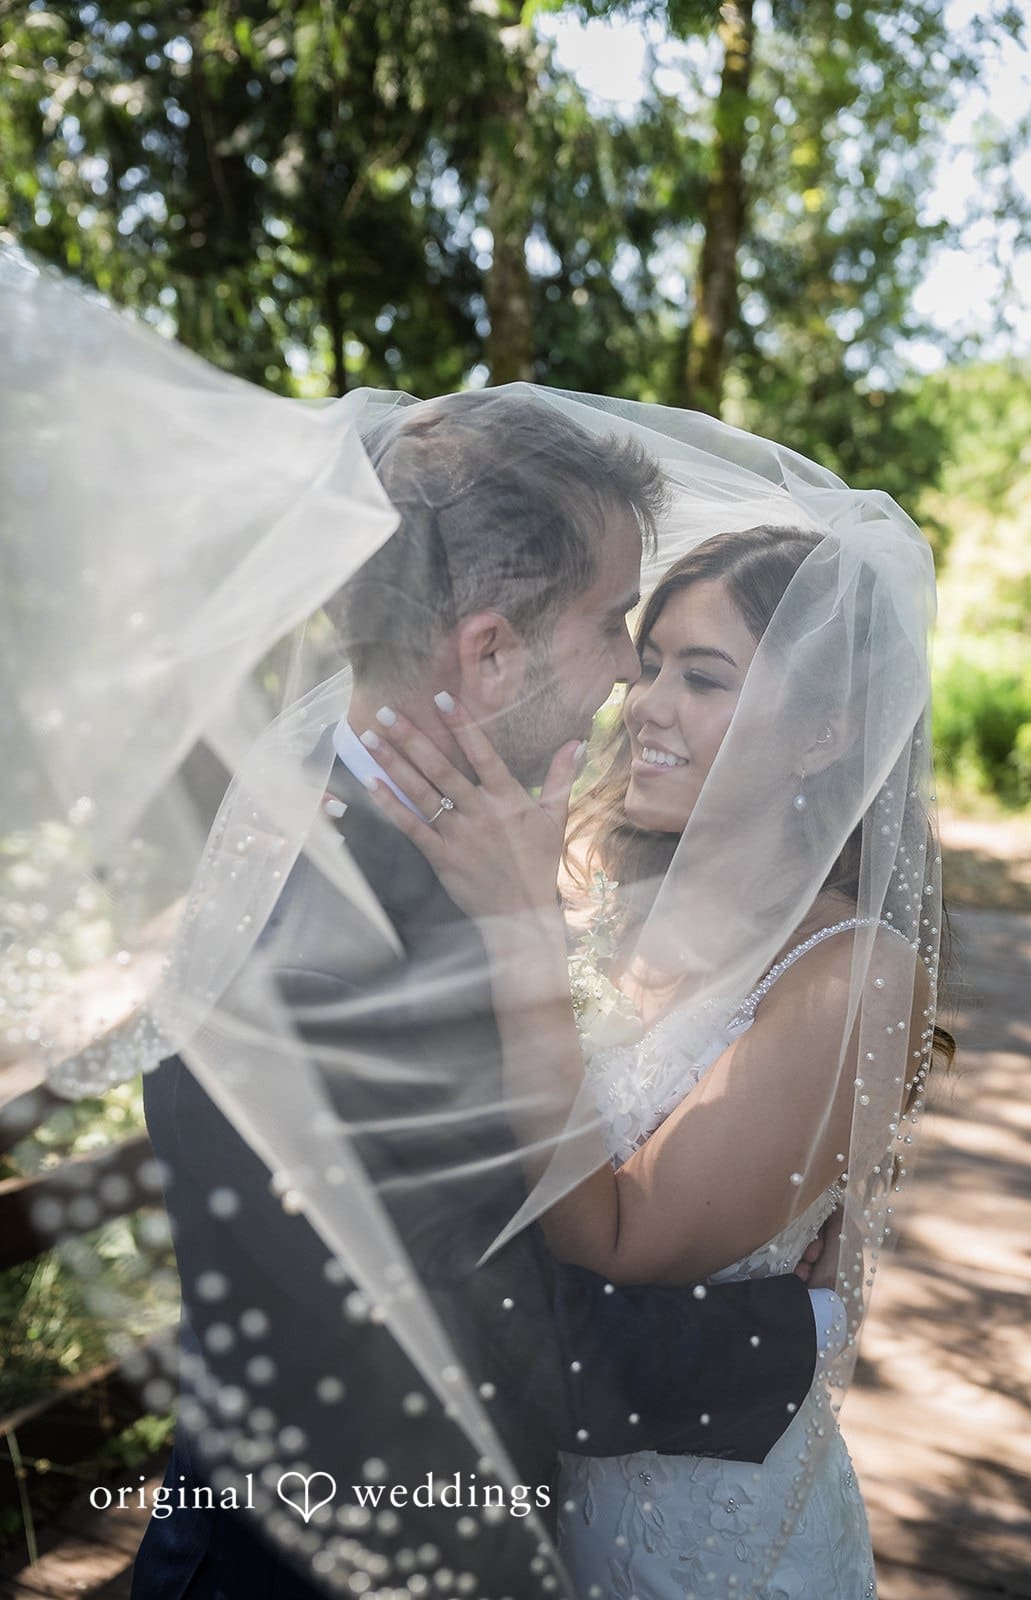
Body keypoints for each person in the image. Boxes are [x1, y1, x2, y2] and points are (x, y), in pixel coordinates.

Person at [131, 395, 841, 1600]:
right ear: (492, 651)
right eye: (614, 622)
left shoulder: (409, 833)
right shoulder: (327, 946)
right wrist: (799, 1330)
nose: (630, 671)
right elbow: (485, 1344)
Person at [355, 520, 952, 1596]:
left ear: (824, 733)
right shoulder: (592, 893)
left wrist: (519, 936)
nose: (644, 698)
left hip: (700, 1533)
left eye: (703, 675)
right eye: (651, 659)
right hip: (529, 1491)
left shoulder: (849, 972)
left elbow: (619, 1232)